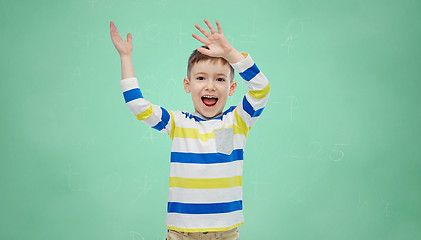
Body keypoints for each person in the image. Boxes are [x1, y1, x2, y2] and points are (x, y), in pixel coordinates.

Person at [110, 19, 270, 240]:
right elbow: (137, 105)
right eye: (201, 78)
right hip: (181, 233)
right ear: (188, 85)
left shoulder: (238, 120)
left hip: (225, 232)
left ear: (232, 87)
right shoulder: (177, 122)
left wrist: (230, 53)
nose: (210, 86)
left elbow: (261, 88)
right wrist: (125, 56)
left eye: (220, 79)